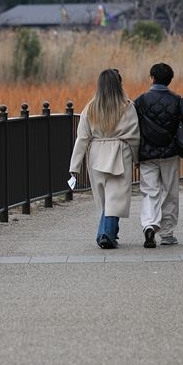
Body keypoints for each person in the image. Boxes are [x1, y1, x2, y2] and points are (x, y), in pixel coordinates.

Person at [70, 69, 141, 249]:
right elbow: (134, 135)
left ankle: (109, 234)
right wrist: (136, 157)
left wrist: (74, 166)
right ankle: (105, 235)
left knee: (105, 199)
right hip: (119, 151)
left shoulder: (90, 108)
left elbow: (82, 138)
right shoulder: (127, 106)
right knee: (115, 198)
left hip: (96, 154)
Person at [134, 62, 183, 246]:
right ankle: (167, 233)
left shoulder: (140, 101)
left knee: (150, 191)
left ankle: (149, 225)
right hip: (170, 153)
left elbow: (133, 128)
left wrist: (135, 155)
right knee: (170, 192)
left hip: (147, 154)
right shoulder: (178, 100)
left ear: (152, 78)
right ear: (169, 80)